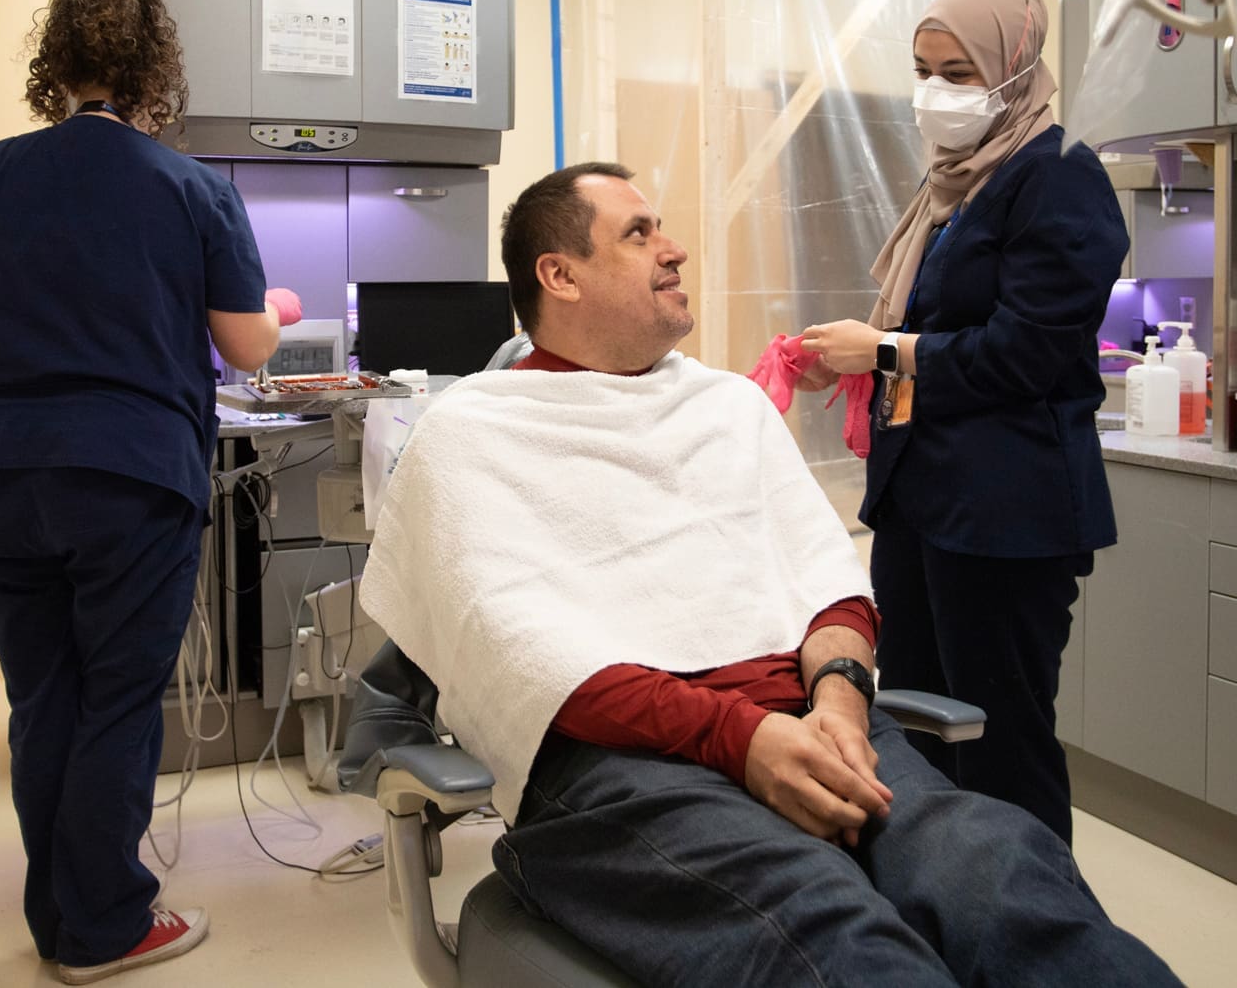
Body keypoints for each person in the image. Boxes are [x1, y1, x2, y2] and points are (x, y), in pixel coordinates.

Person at [356, 163, 1176, 988]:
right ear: (559, 275)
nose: (673, 250)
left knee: (1006, 880)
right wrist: (742, 741)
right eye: (639, 234)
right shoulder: (471, 433)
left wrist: (842, 702)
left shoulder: (726, 407)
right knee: (836, 933)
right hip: (618, 769)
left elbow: (829, 583)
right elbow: (522, 659)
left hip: (813, 724)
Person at [0, 0, 283, 984]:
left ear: (51, 68)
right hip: (131, 476)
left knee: (43, 695)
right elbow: (246, 348)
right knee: (117, 698)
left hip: (4, 472)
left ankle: (58, 915)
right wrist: (266, 302)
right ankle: (103, 926)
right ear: (159, 76)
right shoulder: (192, 186)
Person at [798, 0, 1129, 845]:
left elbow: (1029, 352)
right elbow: (934, 328)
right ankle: (942, 903)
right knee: (914, 723)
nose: (937, 93)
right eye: (923, 70)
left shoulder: (1059, 175)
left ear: (1015, 73)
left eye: (959, 71)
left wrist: (881, 352)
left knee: (998, 740)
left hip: (1006, 514)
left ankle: (1034, 933)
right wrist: (860, 361)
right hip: (926, 500)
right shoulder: (959, 186)